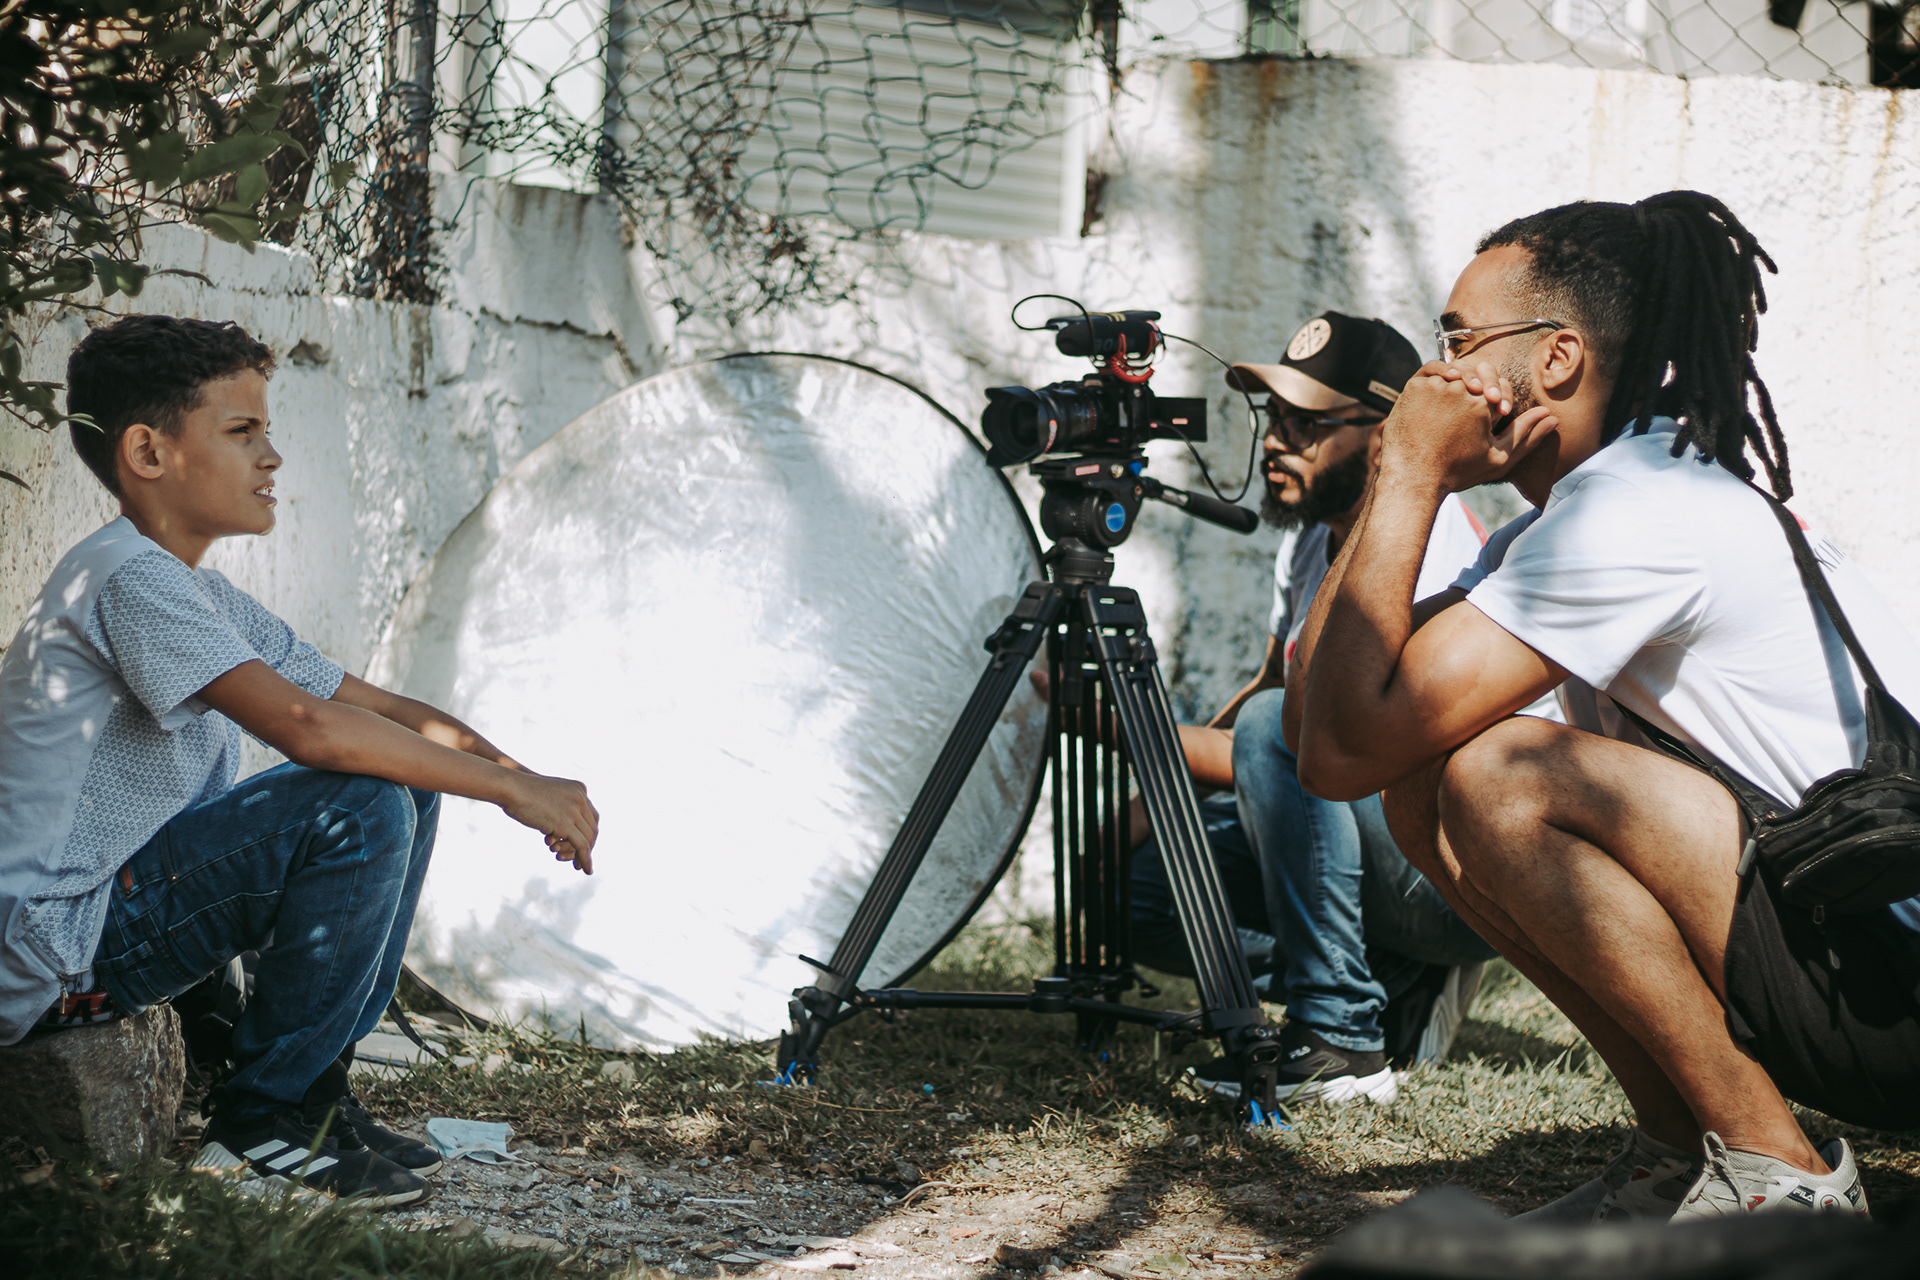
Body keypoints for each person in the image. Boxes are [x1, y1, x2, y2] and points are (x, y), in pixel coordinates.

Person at [1288, 191, 1920, 1223]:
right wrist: (1401, 477)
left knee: (1504, 778)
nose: (1430, 378)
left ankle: (1780, 1173)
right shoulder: (1584, 511)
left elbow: (1338, 748)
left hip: (1891, 978)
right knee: (1425, 775)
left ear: (1557, 359)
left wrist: (1410, 470)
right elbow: (1329, 731)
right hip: (1840, 953)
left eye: (1458, 340)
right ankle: (1681, 1148)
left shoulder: (1640, 508)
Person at [0, 315, 600, 1206]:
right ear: (148, 452)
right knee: (356, 801)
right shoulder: (128, 578)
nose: (272, 456)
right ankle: (263, 1117)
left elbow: (381, 712)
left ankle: (314, 1090)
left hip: (111, 917)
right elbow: (310, 732)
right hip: (58, 945)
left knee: (403, 783)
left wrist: (520, 777)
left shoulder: (196, 591)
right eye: (242, 431)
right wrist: (511, 793)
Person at [1121, 311, 1512, 1106]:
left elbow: (1335, 744)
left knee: (1280, 729)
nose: (1275, 441)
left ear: (1386, 435)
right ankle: (1386, 979)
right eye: (1273, 418)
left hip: (1455, 870)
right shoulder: (1308, 539)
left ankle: (1341, 1034)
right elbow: (1267, 683)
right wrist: (1164, 798)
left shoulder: (1435, 549)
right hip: (1360, 835)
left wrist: (1134, 734)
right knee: (1140, 893)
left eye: (1307, 424)